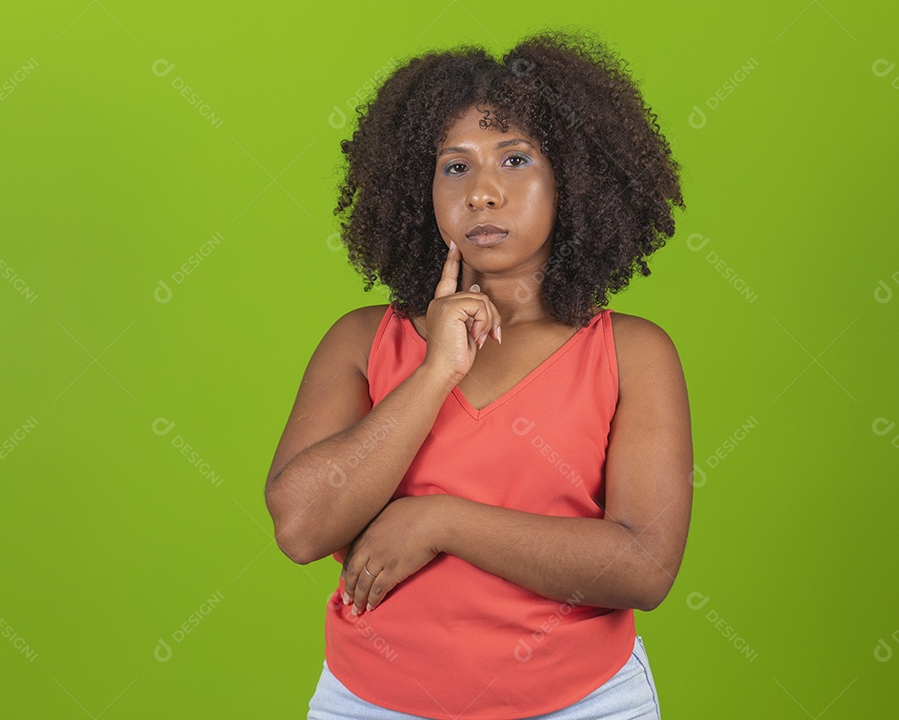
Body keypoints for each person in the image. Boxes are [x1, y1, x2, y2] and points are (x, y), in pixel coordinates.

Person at [266, 28, 692, 720]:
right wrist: (435, 373)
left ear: (574, 181)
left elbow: (643, 567)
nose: (483, 193)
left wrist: (439, 521)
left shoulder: (633, 354)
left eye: (516, 160)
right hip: (371, 703)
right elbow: (301, 526)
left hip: (583, 704)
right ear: (420, 187)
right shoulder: (361, 340)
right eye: (454, 167)